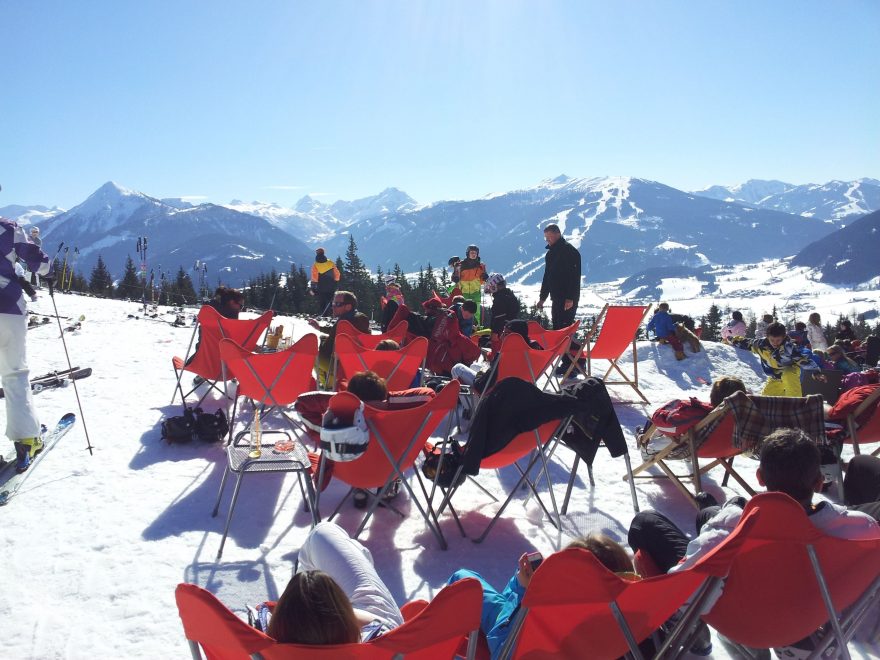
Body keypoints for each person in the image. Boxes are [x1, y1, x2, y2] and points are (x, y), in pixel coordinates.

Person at [446, 532, 635, 658]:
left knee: (463, 580)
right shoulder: (630, 617)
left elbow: (501, 646)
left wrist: (529, 595)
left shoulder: (549, 619)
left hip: (512, 638)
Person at [266, 522, 403, 644]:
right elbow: (374, 622)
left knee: (306, 594)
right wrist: (330, 611)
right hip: (378, 634)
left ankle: (303, 611)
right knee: (321, 534)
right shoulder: (380, 641)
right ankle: (357, 552)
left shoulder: (265, 649)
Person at [1, 217, 53, 472]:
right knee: (14, 374)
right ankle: (27, 439)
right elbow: (39, 263)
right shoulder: (8, 228)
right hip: (8, 308)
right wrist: (46, 270)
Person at [309, 291, 370, 389]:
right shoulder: (359, 319)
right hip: (358, 362)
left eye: (337, 304)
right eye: (333, 303)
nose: (333, 306)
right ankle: (331, 383)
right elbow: (338, 330)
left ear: (348, 307)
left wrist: (323, 340)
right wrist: (320, 328)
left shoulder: (344, 321)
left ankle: (327, 386)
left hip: (336, 363)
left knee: (312, 356)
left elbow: (337, 332)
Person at [732, 321, 807, 397]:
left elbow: (808, 356)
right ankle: (781, 403)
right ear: (767, 337)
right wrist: (734, 340)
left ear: (784, 337)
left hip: (792, 373)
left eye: (778, 340)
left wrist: (816, 371)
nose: (775, 343)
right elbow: (748, 343)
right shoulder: (761, 346)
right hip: (776, 375)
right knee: (766, 397)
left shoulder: (790, 347)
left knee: (788, 374)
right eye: (772, 340)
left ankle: (795, 402)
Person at [537, 224, 581, 330]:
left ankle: (567, 347)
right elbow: (547, 277)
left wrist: (570, 298)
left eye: (549, 237)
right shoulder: (550, 254)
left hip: (567, 299)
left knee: (564, 328)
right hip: (556, 298)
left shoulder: (570, 251)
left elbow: (575, 277)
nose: (547, 240)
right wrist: (542, 298)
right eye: (546, 237)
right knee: (556, 327)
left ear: (558, 234)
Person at [453, 245, 488, 325]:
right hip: (463, 293)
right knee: (463, 312)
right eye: (472, 252)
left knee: (476, 313)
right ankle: (462, 327)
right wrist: (455, 278)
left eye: (475, 253)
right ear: (467, 253)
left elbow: (482, 281)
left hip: (476, 293)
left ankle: (476, 329)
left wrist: (485, 277)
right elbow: (455, 277)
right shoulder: (460, 265)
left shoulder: (481, 266)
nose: (474, 254)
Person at [484, 273, 520, 339]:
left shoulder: (499, 299)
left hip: (502, 334)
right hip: (512, 329)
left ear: (494, 286)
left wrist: (495, 332)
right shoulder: (510, 295)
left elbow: (499, 318)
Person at [310, 247, 341, 316]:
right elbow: (337, 274)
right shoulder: (330, 263)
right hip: (331, 286)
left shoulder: (315, 265)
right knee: (331, 302)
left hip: (321, 287)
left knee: (322, 302)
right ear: (324, 253)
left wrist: (313, 287)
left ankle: (323, 315)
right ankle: (331, 315)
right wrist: (336, 282)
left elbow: (314, 278)